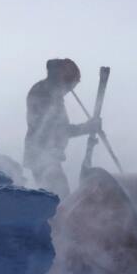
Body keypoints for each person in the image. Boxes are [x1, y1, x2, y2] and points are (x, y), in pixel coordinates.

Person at [24, 58, 100, 199]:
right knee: (61, 199)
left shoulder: (48, 92)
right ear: (63, 80)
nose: (69, 91)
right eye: (70, 86)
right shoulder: (44, 94)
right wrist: (87, 128)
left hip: (45, 156)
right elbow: (56, 130)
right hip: (43, 157)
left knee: (55, 198)